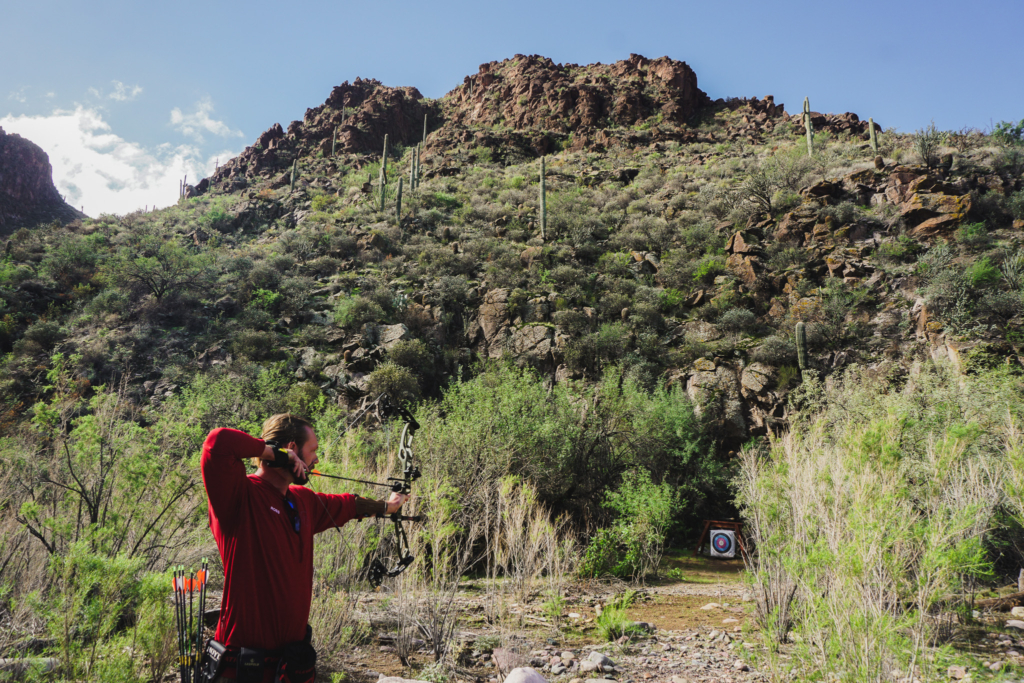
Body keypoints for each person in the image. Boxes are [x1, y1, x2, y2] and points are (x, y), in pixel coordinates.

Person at [200, 413, 408, 683]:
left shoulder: (303, 500)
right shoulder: (240, 494)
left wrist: (388, 507)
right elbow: (218, 442)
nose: (316, 460)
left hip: (291, 666)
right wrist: (279, 455)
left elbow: (346, 504)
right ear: (293, 449)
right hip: (242, 666)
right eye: (312, 451)